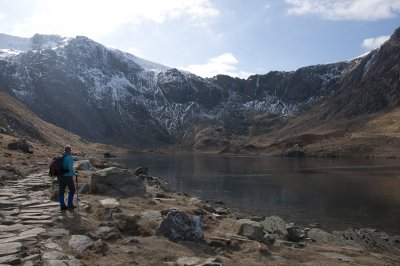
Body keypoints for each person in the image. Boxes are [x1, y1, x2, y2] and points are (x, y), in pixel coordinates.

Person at [59, 145, 77, 211]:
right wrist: (75, 174)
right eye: (71, 150)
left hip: (60, 176)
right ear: (69, 150)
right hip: (68, 176)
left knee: (61, 191)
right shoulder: (70, 157)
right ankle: (70, 205)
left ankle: (62, 206)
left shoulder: (62, 157)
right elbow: (70, 168)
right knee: (72, 190)